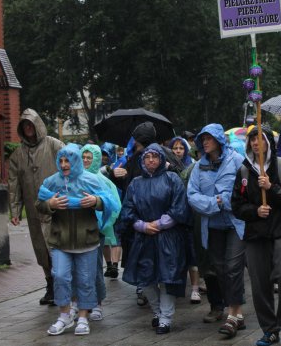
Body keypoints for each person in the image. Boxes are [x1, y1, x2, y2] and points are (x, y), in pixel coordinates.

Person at [36, 144, 117, 336]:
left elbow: (108, 200)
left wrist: (96, 201)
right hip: (60, 239)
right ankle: (64, 316)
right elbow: (39, 203)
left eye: (68, 161)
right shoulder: (51, 182)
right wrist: (50, 204)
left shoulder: (90, 180)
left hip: (87, 239)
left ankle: (82, 317)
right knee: (61, 276)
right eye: (61, 160)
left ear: (76, 162)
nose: (64, 165)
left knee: (85, 280)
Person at [232, 126, 281, 346]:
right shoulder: (243, 171)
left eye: (259, 138)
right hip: (256, 235)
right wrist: (255, 211)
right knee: (260, 285)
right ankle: (269, 330)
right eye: (251, 139)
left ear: (268, 142)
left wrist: (271, 188)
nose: (254, 142)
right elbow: (237, 206)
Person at [121, 143, 193, 334]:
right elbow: (128, 210)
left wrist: (160, 224)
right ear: (142, 160)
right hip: (144, 238)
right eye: (147, 156)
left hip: (169, 237)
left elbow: (179, 207)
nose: (151, 160)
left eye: (155, 156)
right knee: (146, 278)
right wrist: (142, 225)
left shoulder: (172, 179)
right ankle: (158, 311)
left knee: (167, 277)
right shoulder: (135, 183)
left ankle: (166, 318)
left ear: (162, 159)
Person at [187, 123, 246, 338]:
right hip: (211, 226)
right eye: (202, 139)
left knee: (232, 267)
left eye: (208, 138)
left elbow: (244, 191)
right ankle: (237, 312)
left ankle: (233, 314)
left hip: (235, 224)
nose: (204, 142)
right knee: (220, 269)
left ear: (219, 140)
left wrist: (225, 200)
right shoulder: (198, 167)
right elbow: (192, 195)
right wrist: (214, 203)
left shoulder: (237, 161)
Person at [8, 108, 65, 305]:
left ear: (38, 125)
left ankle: (62, 285)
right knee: (41, 248)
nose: (28, 128)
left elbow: (69, 167)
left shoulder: (54, 145)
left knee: (58, 245)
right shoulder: (17, 155)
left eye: (31, 124)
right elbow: (14, 185)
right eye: (24, 125)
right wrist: (15, 211)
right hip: (33, 210)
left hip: (58, 207)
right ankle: (50, 284)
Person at [81, 144, 122, 291]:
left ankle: (96, 299)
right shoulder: (74, 178)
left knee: (95, 265)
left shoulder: (102, 181)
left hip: (96, 230)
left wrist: (103, 224)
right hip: (78, 229)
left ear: (96, 159)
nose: (85, 160)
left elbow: (113, 205)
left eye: (89, 158)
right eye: (83, 157)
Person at [168, 135, 202, 304]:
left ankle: (195, 288)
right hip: (176, 217)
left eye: (181, 148)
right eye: (175, 148)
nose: (178, 151)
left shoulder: (193, 166)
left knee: (193, 254)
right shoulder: (166, 167)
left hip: (191, 215)